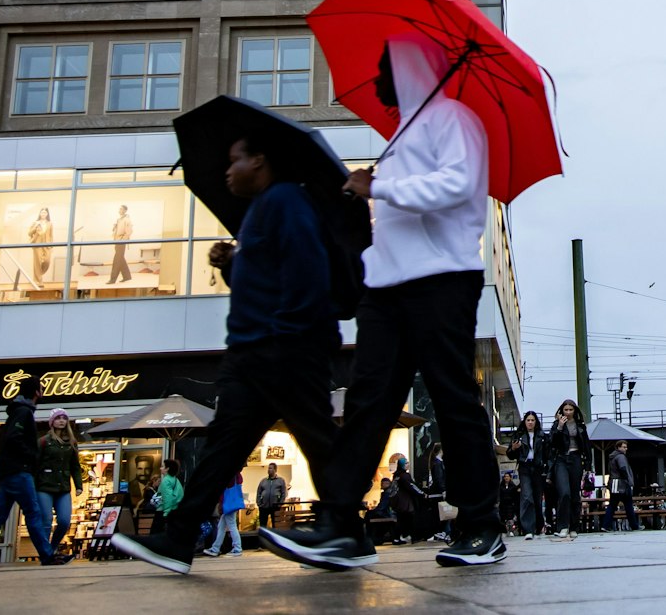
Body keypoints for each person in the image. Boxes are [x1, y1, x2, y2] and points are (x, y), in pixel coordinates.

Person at [264, 35, 508, 569]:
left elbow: (458, 184)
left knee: (451, 398)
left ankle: (481, 523)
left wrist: (381, 189)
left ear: (412, 68)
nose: (378, 77)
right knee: (368, 402)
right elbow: (400, 210)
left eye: (386, 66)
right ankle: (341, 526)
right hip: (387, 287)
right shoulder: (400, 134)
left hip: (442, 280)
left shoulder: (454, 119)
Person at [114, 135, 341, 574]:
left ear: (260, 159)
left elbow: (306, 271)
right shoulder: (260, 211)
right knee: (225, 447)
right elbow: (263, 282)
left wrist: (284, 336)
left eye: (234, 158)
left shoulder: (286, 202)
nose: (226, 169)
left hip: (281, 347)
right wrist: (231, 264)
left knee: (316, 437)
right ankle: (178, 540)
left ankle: (344, 528)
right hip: (253, 352)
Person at [0, 386, 68, 567]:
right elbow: (14, 438)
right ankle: (47, 555)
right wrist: (30, 456)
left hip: (8, 473)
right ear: (36, 392)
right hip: (19, 472)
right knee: (33, 514)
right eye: (41, 389)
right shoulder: (24, 412)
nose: (42, 393)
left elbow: (9, 439)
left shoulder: (16, 411)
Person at [33, 409, 86, 550]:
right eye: (58, 418)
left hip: (63, 487)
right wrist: (33, 485)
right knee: (46, 520)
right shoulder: (44, 441)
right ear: (52, 422)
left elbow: (75, 465)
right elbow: (35, 464)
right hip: (44, 486)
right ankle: (44, 551)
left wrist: (79, 485)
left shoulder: (72, 442)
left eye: (64, 418)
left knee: (64, 521)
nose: (61, 421)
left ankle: (52, 547)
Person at [547, 400, 588, 539]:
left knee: (575, 495)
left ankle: (574, 527)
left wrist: (588, 465)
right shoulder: (556, 425)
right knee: (564, 493)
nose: (568, 412)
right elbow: (552, 442)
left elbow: (586, 445)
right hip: (561, 459)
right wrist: (559, 426)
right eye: (566, 410)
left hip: (576, 458)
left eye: (571, 410)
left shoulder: (580, 426)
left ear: (575, 411)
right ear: (561, 411)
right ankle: (562, 526)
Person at [508, 413, 547, 538]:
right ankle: (527, 529)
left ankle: (538, 526)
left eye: (532, 420)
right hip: (524, 467)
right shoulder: (519, 435)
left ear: (536, 422)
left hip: (538, 468)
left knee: (537, 498)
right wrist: (514, 449)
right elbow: (510, 454)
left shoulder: (542, 436)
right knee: (526, 496)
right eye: (528, 420)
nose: (530, 422)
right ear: (524, 421)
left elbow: (547, 453)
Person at [206, 474, 246, 557]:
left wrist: (221, 503)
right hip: (232, 503)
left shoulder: (229, 475)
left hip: (228, 504)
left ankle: (237, 548)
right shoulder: (237, 475)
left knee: (231, 525)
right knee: (222, 526)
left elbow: (223, 489)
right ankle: (215, 548)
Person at [605, 441, 640, 531]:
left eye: (626, 447)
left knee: (612, 505)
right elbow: (623, 468)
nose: (626, 449)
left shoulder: (612, 457)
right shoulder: (621, 457)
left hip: (614, 484)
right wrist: (627, 480)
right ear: (618, 447)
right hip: (622, 484)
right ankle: (634, 525)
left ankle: (605, 525)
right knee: (628, 505)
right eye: (624, 447)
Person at [256, 462, 288, 531]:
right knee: (263, 526)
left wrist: (280, 504)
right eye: (268, 468)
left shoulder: (281, 481)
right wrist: (259, 503)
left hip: (275, 507)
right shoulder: (263, 481)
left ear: (275, 470)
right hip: (264, 507)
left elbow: (284, 493)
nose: (268, 470)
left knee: (275, 526)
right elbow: (258, 492)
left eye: (270, 468)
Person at [28, 207, 54, 286]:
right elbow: (29, 233)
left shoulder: (50, 223)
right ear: (40, 213)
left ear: (47, 214)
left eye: (45, 213)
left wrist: (52, 245)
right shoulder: (35, 222)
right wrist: (35, 228)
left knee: (47, 261)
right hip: (37, 244)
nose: (43, 214)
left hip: (47, 244)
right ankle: (38, 281)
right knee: (37, 263)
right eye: (42, 212)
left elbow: (51, 235)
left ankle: (38, 275)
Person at [108, 204, 134, 285]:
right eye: (119, 209)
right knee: (120, 259)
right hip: (117, 240)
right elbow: (116, 230)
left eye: (121, 209)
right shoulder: (119, 219)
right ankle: (127, 276)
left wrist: (122, 240)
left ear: (125, 210)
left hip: (121, 241)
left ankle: (112, 279)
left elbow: (129, 232)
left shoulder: (127, 220)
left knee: (117, 260)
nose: (119, 211)